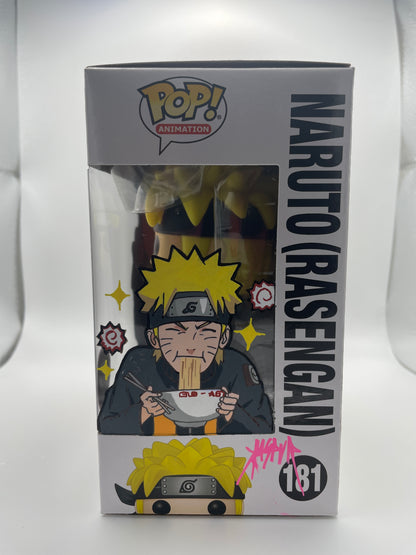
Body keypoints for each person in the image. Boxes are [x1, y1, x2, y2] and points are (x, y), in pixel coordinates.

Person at [97, 247, 273, 435]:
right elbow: (107, 424)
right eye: (176, 331)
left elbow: (265, 426)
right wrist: (143, 412)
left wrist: (233, 414)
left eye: (205, 331)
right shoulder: (139, 366)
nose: (191, 344)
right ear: (154, 338)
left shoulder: (236, 368)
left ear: (223, 338)